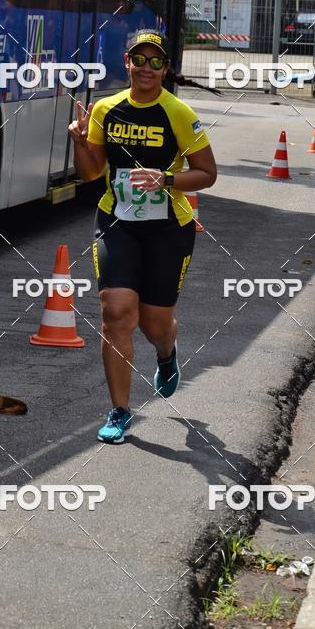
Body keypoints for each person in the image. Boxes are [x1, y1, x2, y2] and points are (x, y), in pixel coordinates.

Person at [68, 31, 217, 443]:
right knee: (116, 313)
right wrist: (79, 144)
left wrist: (166, 178)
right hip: (117, 224)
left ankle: (166, 354)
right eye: (140, 59)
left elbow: (207, 173)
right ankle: (119, 410)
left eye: (156, 61)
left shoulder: (179, 114)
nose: (147, 68)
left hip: (169, 229)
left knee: (155, 324)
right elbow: (90, 173)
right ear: (127, 62)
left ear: (165, 68)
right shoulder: (106, 109)